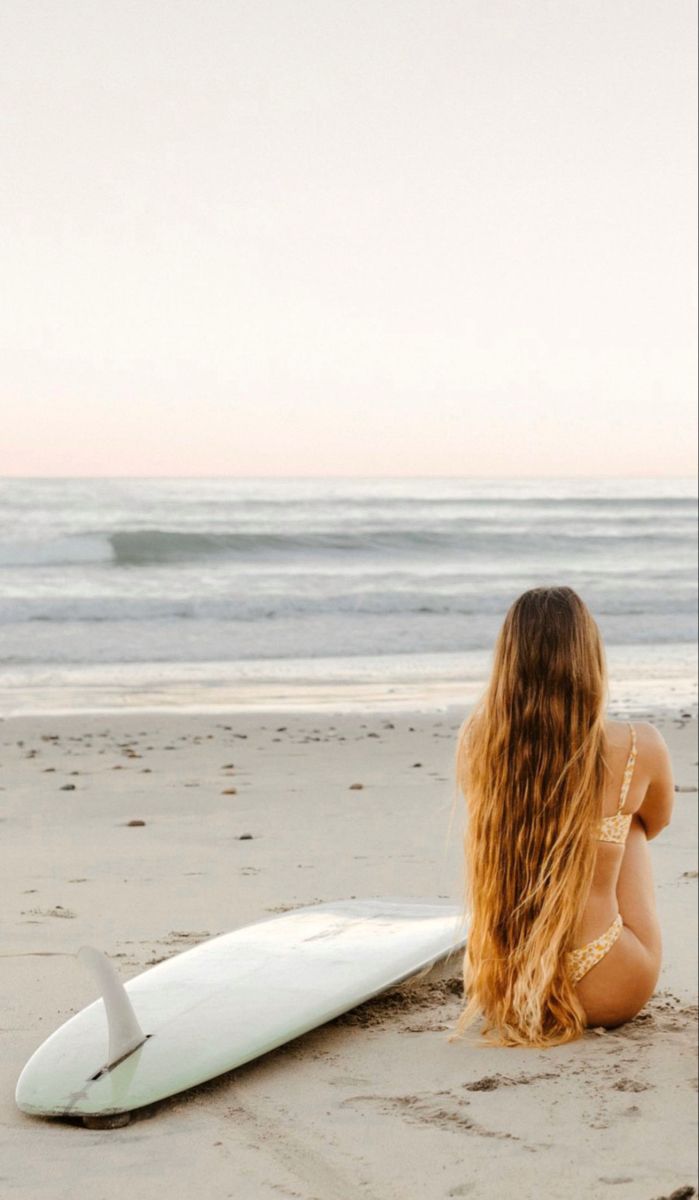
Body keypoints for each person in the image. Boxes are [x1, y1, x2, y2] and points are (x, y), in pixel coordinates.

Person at [452, 586, 675, 1048]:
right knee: (628, 822)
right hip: (611, 979)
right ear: (588, 658)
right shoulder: (638, 743)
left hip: (508, 986)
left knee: (518, 816)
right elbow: (658, 820)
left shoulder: (478, 741)